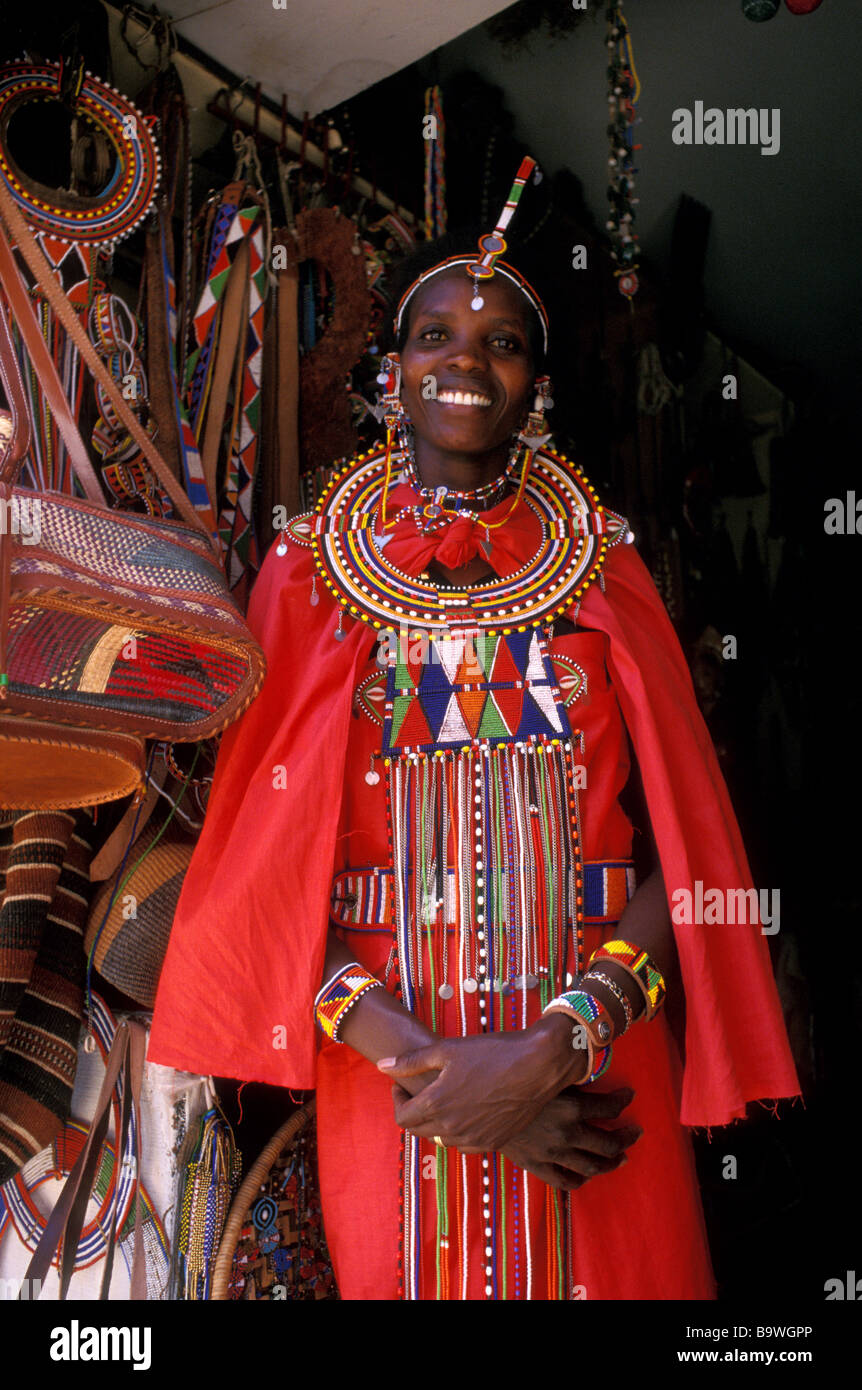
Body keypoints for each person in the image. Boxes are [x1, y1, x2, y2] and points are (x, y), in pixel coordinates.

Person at [149, 159, 800, 1300]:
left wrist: (554, 1051)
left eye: (501, 340)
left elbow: (690, 851)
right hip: (392, 1076)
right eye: (435, 334)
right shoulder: (307, 574)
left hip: (597, 1067)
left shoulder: (605, 561)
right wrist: (448, 1082)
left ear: (536, 384)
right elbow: (257, 874)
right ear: (390, 374)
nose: (465, 358)